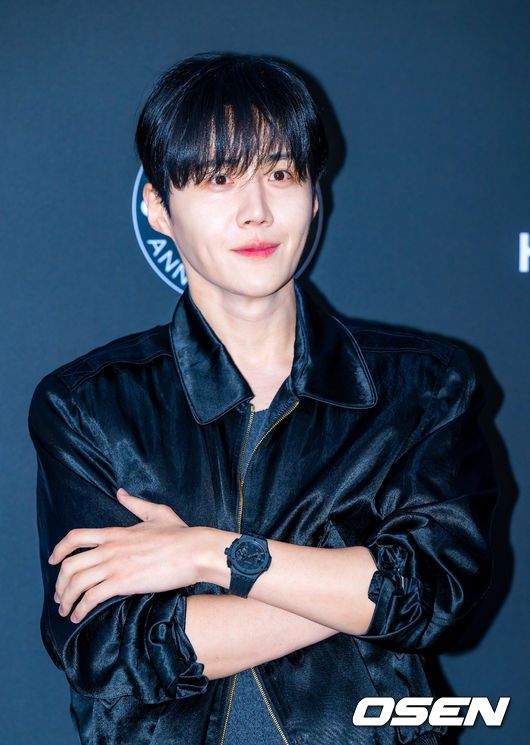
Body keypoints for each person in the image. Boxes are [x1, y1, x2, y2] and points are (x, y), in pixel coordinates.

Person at [28, 51, 498, 745]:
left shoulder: (422, 387)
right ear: (158, 206)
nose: (257, 212)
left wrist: (206, 554)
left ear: (315, 194)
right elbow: (112, 650)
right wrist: (348, 586)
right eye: (219, 178)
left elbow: (435, 594)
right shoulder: (89, 407)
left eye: (280, 174)